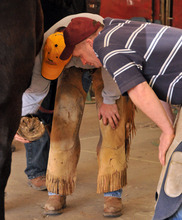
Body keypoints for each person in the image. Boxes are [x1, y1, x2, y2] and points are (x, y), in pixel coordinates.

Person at [59, 17, 182, 219]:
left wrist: (169, 132)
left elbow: (138, 90)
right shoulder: (115, 27)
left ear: (90, 43)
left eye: (80, 55)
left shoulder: (105, 46)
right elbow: (156, 84)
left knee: (177, 172)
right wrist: (167, 128)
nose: (83, 62)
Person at [14, 13, 135, 217]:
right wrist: (22, 119)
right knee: (63, 124)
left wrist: (109, 100)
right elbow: (37, 89)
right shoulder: (45, 50)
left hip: (106, 67)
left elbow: (115, 67)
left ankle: (112, 192)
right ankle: (57, 190)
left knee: (112, 124)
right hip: (71, 67)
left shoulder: (104, 37)